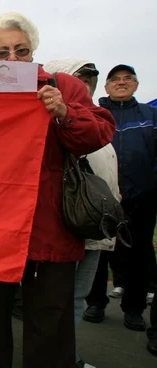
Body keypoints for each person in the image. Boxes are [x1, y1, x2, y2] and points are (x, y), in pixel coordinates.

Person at [0, 13, 115, 367]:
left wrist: (63, 112)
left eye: (21, 50)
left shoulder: (63, 86)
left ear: (33, 53)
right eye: (2, 53)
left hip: (51, 226)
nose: (12, 59)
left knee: (51, 319)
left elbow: (99, 133)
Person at [44, 58, 120, 368]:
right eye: (78, 77)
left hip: (94, 222)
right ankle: (59, 358)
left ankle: (65, 357)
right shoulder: (55, 117)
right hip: (65, 222)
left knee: (76, 297)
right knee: (54, 301)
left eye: (90, 78)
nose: (84, 84)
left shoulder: (94, 118)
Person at [84, 64, 157, 331]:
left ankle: (134, 308)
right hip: (102, 198)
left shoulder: (151, 115)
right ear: (106, 87)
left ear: (136, 85)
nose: (121, 82)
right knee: (99, 251)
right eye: (115, 79)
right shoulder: (97, 115)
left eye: (128, 79)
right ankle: (95, 302)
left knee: (138, 253)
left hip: (142, 198)